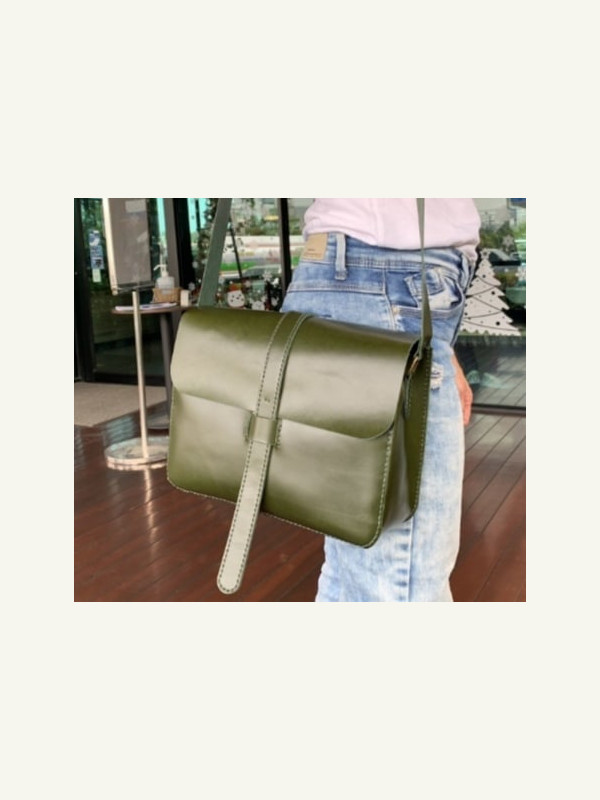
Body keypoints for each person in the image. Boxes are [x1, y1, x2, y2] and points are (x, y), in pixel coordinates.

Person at [280, 199, 480, 602]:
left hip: (363, 283)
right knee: (401, 585)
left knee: (352, 565)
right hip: (389, 281)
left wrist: (438, 342)